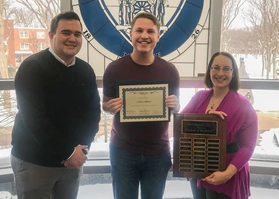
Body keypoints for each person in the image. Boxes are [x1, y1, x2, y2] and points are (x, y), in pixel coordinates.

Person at [11, 11, 101, 199]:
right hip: (35, 163)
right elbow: (35, 120)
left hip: (73, 163)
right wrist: (68, 152)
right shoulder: (32, 68)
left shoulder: (85, 70)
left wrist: (81, 151)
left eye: (77, 34)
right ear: (51, 35)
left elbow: (93, 114)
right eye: (66, 33)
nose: (72, 39)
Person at [102, 12, 180, 199]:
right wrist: (109, 107)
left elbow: (175, 108)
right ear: (130, 34)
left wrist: (176, 105)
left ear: (158, 36)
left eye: (150, 31)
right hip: (123, 151)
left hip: (157, 152)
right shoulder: (114, 69)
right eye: (139, 30)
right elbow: (104, 105)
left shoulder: (170, 71)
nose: (144, 36)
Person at [180, 51, 258, 199]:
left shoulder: (243, 105)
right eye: (215, 67)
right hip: (200, 167)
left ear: (233, 73)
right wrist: (205, 120)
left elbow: (248, 146)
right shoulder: (199, 97)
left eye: (226, 68)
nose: (220, 73)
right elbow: (181, 126)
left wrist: (227, 174)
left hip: (227, 170)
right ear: (210, 71)